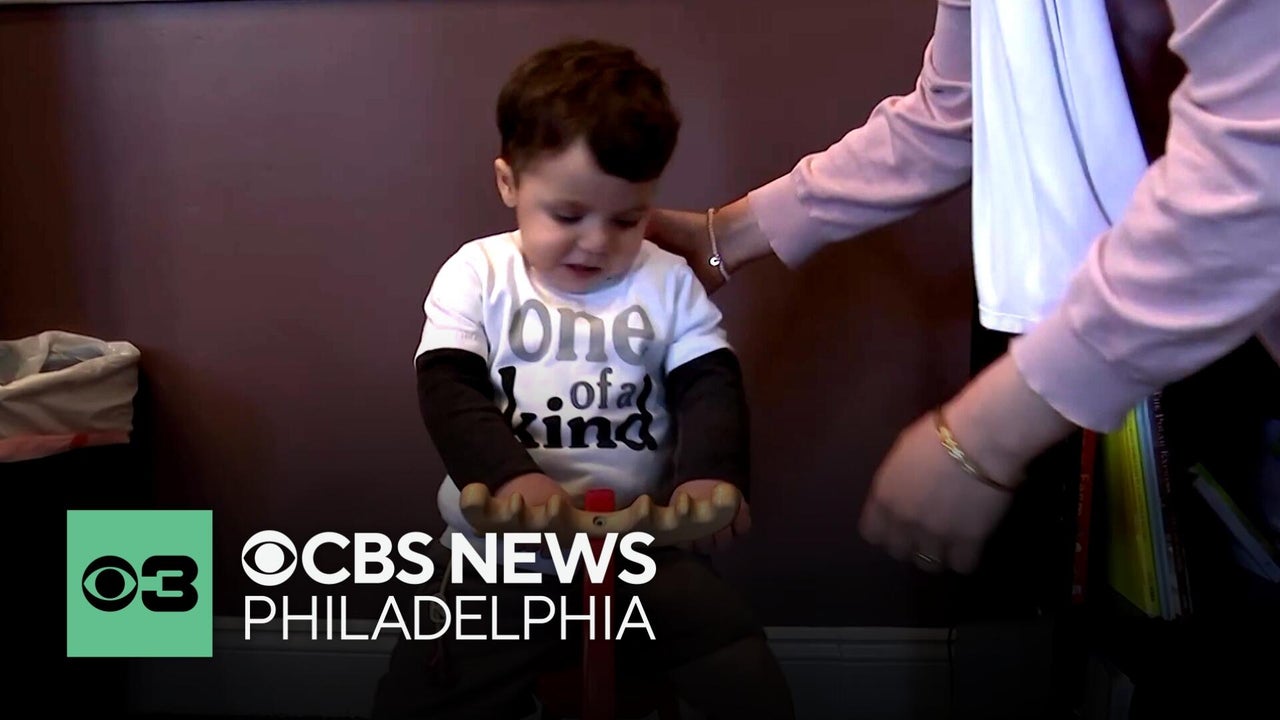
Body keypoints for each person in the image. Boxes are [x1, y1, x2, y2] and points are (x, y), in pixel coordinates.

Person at [644, 0, 1280, 577]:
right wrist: (724, 235)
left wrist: (986, 434)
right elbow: (957, 108)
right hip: (1209, 316)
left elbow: (1256, 173)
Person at [372, 39, 795, 720]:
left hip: (641, 548)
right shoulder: (478, 274)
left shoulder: (668, 282)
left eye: (626, 219)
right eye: (567, 216)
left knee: (738, 662)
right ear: (510, 184)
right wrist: (510, 479)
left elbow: (709, 383)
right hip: (500, 555)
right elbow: (450, 390)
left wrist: (711, 476)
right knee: (425, 692)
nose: (596, 241)